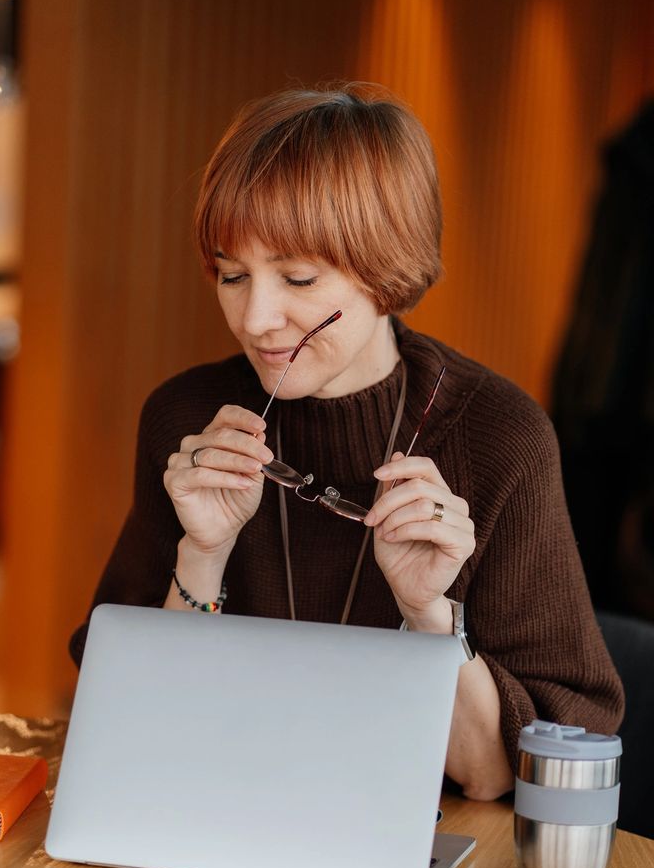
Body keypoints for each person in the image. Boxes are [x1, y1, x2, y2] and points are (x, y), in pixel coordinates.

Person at [70, 85, 623, 800]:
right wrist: (202, 555)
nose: (256, 318)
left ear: (385, 269)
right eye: (233, 275)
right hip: (216, 815)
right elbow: (131, 725)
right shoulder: (187, 419)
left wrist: (429, 615)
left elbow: (495, 777)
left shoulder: (499, 437)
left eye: (298, 278)